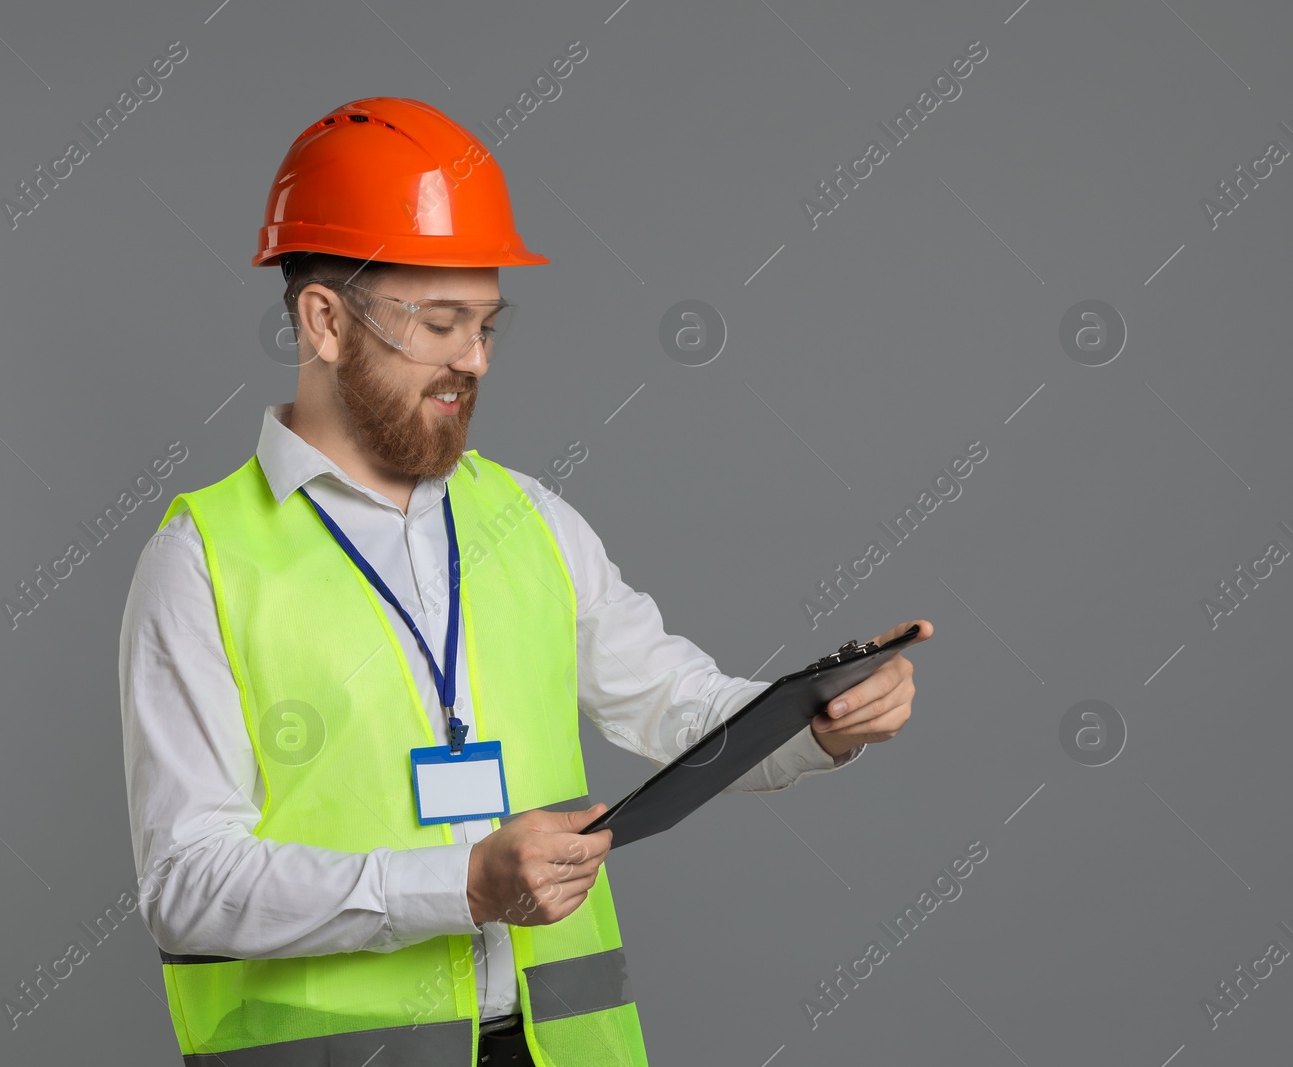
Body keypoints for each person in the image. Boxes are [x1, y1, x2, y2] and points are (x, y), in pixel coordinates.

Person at [119, 96, 931, 1067]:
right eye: (438, 322)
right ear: (323, 320)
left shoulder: (533, 519)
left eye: (487, 325)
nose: (473, 358)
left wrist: (812, 715)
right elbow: (187, 883)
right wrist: (457, 883)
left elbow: (679, 706)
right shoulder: (201, 559)